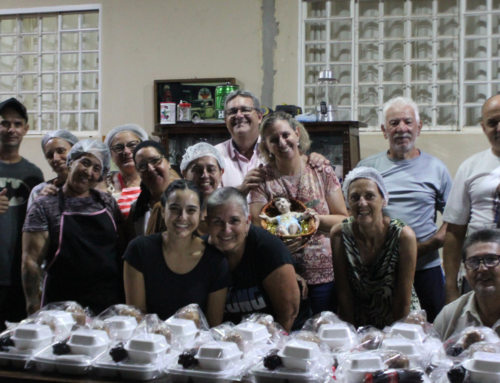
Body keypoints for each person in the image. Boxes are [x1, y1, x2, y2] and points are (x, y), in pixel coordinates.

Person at [357, 97, 452, 322]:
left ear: (419, 128)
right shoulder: (367, 169)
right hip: (379, 270)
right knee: (381, 332)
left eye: (408, 122)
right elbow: (353, 216)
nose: (402, 128)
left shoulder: (437, 168)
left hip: (426, 268)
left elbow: (454, 219)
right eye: (394, 123)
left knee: (432, 331)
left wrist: (428, 245)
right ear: (383, 130)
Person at [250, 111, 348, 315]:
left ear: (296, 133)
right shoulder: (263, 178)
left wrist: (314, 220)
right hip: (281, 273)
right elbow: (257, 227)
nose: (282, 142)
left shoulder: (321, 169)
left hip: (325, 276)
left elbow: (344, 219)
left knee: (323, 334)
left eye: (286, 135)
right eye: (273, 139)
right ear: (266, 145)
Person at [22, 139, 124, 315]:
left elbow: (121, 248)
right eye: (84, 162)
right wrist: (32, 305)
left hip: (107, 301)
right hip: (60, 304)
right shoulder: (44, 206)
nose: (88, 172)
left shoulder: (107, 202)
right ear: (71, 162)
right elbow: (30, 262)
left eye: (96, 169)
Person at [123, 179, 230, 325]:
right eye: (174, 208)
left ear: (200, 214)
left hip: (197, 345)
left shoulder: (215, 260)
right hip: (149, 343)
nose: (182, 217)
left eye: (191, 210)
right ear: (162, 211)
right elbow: (136, 317)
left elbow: (213, 326)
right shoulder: (139, 250)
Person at [330, 167, 420, 329]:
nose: (362, 203)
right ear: (348, 203)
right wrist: (350, 339)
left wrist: (394, 339)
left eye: (370, 196)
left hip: (401, 318)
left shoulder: (403, 236)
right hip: (360, 321)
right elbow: (344, 294)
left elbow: (403, 299)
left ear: (384, 200)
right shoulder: (339, 234)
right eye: (355, 197)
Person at [204, 187, 302, 332]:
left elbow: (288, 315)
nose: (226, 229)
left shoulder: (269, 248)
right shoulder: (201, 253)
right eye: (217, 222)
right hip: (229, 340)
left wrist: (269, 351)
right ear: (207, 223)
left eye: (234, 221)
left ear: (248, 221)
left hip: (282, 336)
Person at [216, 90, 329, 196]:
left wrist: (314, 159)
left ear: (260, 116)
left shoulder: (278, 148)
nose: (239, 115)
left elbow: (298, 170)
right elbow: (207, 201)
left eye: (245, 110)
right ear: (225, 120)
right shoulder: (214, 156)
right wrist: (241, 190)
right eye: (232, 112)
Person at [443, 94, 500, 304]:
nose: (499, 128)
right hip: (479, 271)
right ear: (483, 128)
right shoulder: (470, 167)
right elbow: (454, 233)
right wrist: (451, 289)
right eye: (492, 123)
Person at [0, 98, 44, 330]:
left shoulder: (34, 174)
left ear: (25, 129)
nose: (11, 129)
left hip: (19, 278)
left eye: (17, 124)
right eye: (4, 123)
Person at [434, 229, 500, 340]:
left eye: (491, 259)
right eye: (473, 261)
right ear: (465, 269)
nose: (482, 268)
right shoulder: (449, 315)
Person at [128, 140, 172, 238]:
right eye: (142, 166)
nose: (151, 169)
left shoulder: (187, 200)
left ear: (168, 163)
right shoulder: (137, 210)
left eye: (155, 160)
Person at [104, 124, 149, 218]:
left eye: (132, 145)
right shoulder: (105, 184)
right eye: (118, 147)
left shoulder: (153, 181)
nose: (126, 151)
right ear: (110, 154)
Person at [180, 142, 225, 235]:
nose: (205, 175)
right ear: (184, 174)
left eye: (211, 169)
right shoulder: (169, 208)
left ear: (221, 173)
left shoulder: (227, 211)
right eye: (197, 170)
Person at [27, 130, 79, 208]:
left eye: (61, 151)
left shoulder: (92, 187)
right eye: (50, 155)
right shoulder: (39, 191)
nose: (56, 159)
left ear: (76, 151)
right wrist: (41, 203)